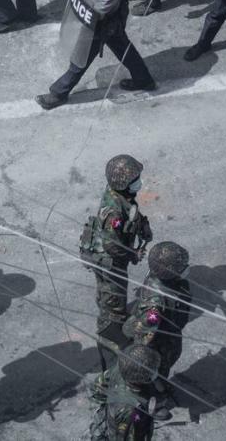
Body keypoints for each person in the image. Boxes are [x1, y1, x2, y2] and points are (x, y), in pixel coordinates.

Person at [37, 0, 155, 110]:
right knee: (123, 48)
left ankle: (58, 93)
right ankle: (143, 79)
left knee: (81, 57)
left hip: (103, 23)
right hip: (108, 19)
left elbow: (101, 9)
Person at [79, 155, 152, 374]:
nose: (138, 182)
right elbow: (112, 245)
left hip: (115, 260)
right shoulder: (113, 211)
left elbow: (131, 218)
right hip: (110, 263)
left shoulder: (123, 197)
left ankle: (113, 323)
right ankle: (111, 355)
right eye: (134, 179)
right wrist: (133, 254)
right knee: (112, 305)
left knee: (113, 299)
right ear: (122, 182)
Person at [123, 241, 191, 421]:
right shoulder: (155, 305)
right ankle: (154, 402)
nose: (186, 268)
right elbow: (143, 335)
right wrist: (146, 361)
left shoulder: (169, 281)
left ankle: (160, 385)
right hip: (159, 343)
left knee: (164, 368)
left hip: (170, 335)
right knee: (156, 372)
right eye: (181, 266)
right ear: (168, 270)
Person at [88, 344, 162, 441]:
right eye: (153, 370)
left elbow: (97, 387)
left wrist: (110, 403)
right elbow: (123, 436)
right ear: (141, 379)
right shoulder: (130, 410)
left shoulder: (123, 368)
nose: (156, 370)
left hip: (113, 414)